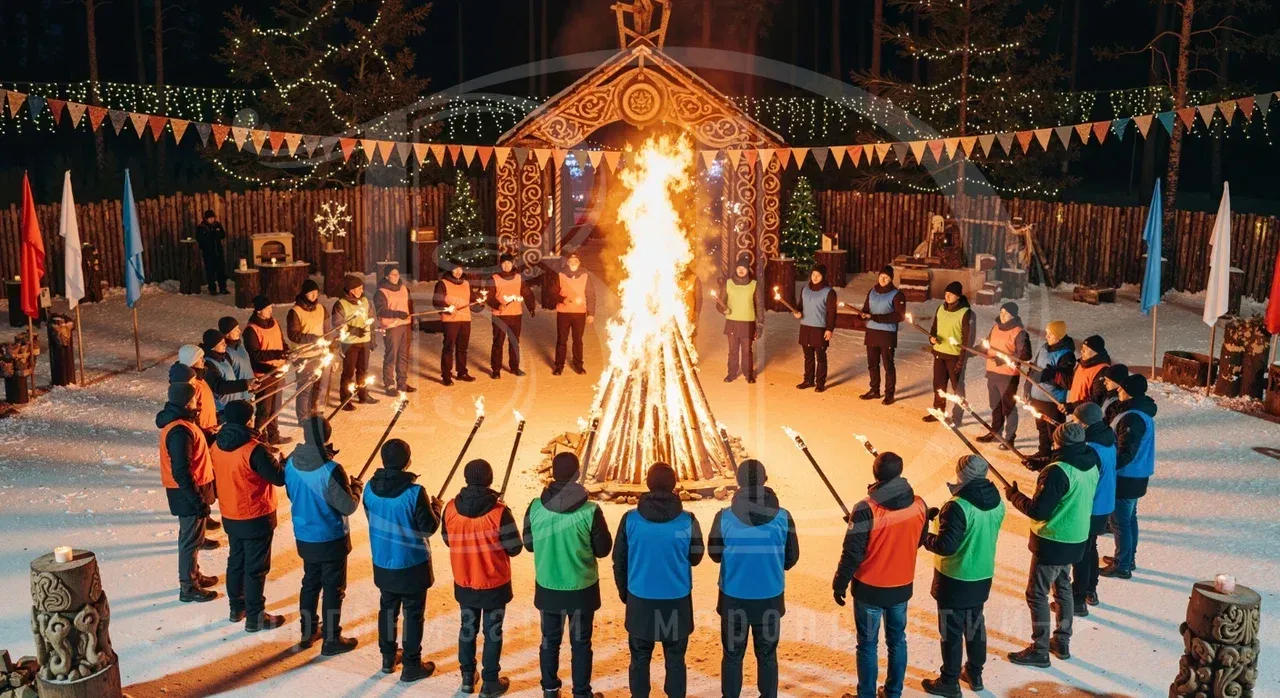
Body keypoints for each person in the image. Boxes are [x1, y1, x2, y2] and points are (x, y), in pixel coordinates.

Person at [832, 452, 928, 698]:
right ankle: (894, 692)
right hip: (901, 586)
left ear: (875, 474)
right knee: (897, 641)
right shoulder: (919, 504)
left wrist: (840, 582)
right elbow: (916, 540)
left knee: (867, 645)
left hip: (870, 588)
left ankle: (866, 695)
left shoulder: (866, 508)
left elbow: (852, 553)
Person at [1005, 422, 1100, 668]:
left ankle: (1040, 648)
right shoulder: (1091, 459)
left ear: (1058, 442)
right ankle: (1062, 640)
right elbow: (1066, 473)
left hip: (1053, 539)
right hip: (1076, 537)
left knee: (1036, 594)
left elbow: (1039, 510)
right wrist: (1044, 464)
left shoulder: (1057, 471)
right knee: (1063, 589)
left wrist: (1015, 497)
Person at [707, 460, 800, 698]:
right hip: (769, 597)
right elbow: (791, 559)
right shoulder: (783, 517)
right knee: (767, 655)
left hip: (733, 598)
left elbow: (715, 555)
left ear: (737, 482)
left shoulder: (724, 517)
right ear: (765, 479)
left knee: (732, 655)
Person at [522, 453, 612, 698]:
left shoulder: (535, 507)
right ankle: (581, 692)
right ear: (577, 474)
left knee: (549, 642)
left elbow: (529, 545)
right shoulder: (590, 511)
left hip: (549, 586)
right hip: (581, 588)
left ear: (553, 473)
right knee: (581, 644)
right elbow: (603, 550)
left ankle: (550, 690)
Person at [613, 463, 705, 698]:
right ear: (674, 485)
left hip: (640, 599)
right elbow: (695, 558)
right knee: (675, 660)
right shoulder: (688, 520)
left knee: (639, 659)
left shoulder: (630, 520)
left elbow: (619, 561)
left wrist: (626, 595)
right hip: (676, 600)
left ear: (648, 483)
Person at [920, 456, 1005, 697]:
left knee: (951, 631)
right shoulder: (996, 500)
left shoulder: (957, 505)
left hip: (955, 578)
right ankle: (975, 673)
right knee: (975, 625)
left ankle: (949, 680)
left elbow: (947, 545)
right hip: (982, 574)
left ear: (962, 474)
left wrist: (925, 536)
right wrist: (941, 519)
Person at [363, 439, 441, 683]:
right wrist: (436, 508)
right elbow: (427, 528)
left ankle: (387, 657)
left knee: (387, 609)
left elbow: (369, 515)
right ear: (407, 461)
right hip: (411, 564)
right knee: (413, 614)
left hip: (383, 561)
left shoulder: (368, 488)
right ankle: (411, 663)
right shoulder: (414, 493)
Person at [442, 459, 522, 696]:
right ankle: (490, 680)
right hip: (493, 583)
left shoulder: (450, 508)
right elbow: (515, 548)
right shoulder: (499, 512)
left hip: (464, 580)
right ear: (490, 479)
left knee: (467, 627)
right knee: (492, 632)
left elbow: (447, 539)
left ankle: (468, 676)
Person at [284, 416, 360, 655]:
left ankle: (307, 632)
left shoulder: (290, 462)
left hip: (305, 534)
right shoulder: (331, 469)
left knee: (310, 583)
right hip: (330, 537)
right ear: (327, 437)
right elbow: (346, 506)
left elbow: (291, 492)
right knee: (333, 588)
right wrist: (356, 488)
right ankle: (331, 638)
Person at [210, 400, 286, 632]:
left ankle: (237, 607)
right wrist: (281, 463)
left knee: (236, 561)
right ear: (248, 420)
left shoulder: (217, 444)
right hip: (255, 514)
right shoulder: (254, 449)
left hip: (231, 512)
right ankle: (255, 616)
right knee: (255, 568)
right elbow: (278, 478)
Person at [156, 382, 219, 603]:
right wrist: (197, 500)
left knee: (193, 537)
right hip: (188, 494)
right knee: (190, 540)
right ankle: (188, 586)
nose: (197, 401)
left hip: (191, 492)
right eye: (193, 398)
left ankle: (194, 575)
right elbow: (182, 470)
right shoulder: (180, 430)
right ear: (186, 401)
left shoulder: (184, 424)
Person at [1101, 374, 1157, 580]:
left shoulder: (1132, 417)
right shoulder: (1139, 412)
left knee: (1120, 522)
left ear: (1129, 392)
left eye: (1122, 389)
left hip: (1126, 477)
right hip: (1137, 475)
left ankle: (1122, 564)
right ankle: (1127, 558)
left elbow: (1126, 452)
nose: (1118, 391)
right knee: (1129, 519)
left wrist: (1107, 466)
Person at [1070, 402, 1116, 612]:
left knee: (1081, 554)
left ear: (1084, 423)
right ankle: (1090, 590)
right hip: (1104, 504)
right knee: (1090, 548)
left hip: (1090, 506)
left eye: (1076, 420)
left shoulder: (1091, 447)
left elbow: (1083, 477)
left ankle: (1078, 599)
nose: (1073, 423)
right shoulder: (1107, 437)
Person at [978, 302, 1031, 447]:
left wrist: (1005, 358)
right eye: (1001, 312)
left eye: (1006, 313)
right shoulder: (995, 328)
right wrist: (975, 349)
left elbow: (1025, 354)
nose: (1002, 315)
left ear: (1013, 315)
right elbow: (987, 345)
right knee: (995, 405)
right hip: (992, 373)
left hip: (1008, 376)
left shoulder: (1019, 332)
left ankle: (1010, 437)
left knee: (1008, 407)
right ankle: (996, 432)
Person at [924, 282, 976, 424]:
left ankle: (957, 417)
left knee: (957, 387)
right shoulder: (940, 309)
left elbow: (968, 339)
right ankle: (938, 411)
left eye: (951, 294)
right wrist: (932, 339)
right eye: (946, 293)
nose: (947, 296)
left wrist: (961, 360)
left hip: (955, 356)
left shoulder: (966, 313)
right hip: (940, 353)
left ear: (958, 296)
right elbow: (934, 328)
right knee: (939, 385)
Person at [1023, 321, 1076, 456]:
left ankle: (1057, 456)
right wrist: (1027, 387)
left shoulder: (1067, 355)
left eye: (1050, 334)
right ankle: (1043, 453)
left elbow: (1065, 382)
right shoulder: (1044, 348)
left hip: (1052, 401)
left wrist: (1048, 377)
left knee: (1054, 432)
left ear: (1058, 336)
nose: (1047, 337)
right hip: (1037, 396)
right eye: (1047, 334)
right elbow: (1033, 368)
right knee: (1041, 428)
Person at [244, 296, 291, 446]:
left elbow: (280, 341)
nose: (271, 310)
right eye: (268, 308)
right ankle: (260, 441)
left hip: (278, 371)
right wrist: (277, 355)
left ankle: (273, 435)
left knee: (275, 408)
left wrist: (286, 350)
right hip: (264, 375)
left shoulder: (274, 322)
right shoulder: (251, 330)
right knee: (264, 410)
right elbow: (255, 354)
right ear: (259, 310)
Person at [858, 266, 906, 404]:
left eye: (886, 277)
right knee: (872, 364)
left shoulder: (897, 294)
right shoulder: (872, 292)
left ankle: (889, 394)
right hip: (872, 332)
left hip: (887, 334)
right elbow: (866, 309)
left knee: (888, 365)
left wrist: (876, 317)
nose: (883, 279)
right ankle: (874, 390)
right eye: (881, 277)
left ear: (891, 279)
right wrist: (862, 315)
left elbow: (899, 316)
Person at [286, 279, 332, 418]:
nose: (313, 295)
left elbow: (328, 330)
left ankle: (316, 411)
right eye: (310, 293)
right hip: (304, 355)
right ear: (304, 294)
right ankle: (303, 417)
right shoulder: (295, 311)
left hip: (320, 353)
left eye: (316, 292)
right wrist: (312, 338)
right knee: (305, 388)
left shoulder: (321, 309)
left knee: (319, 385)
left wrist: (330, 345)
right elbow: (293, 335)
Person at [332, 275, 379, 409]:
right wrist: (353, 330)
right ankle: (345, 399)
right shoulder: (341, 304)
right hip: (350, 343)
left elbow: (371, 320)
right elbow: (338, 324)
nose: (361, 290)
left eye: (361, 287)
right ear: (351, 290)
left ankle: (363, 394)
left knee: (363, 370)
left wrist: (372, 339)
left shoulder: (365, 301)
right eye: (358, 288)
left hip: (364, 341)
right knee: (348, 372)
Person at [487, 254, 537, 379]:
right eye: (504, 263)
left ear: (513, 264)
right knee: (498, 343)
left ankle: (514, 367)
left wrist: (531, 307)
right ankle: (496, 369)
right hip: (500, 316)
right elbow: (489, 297)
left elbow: (527, 293)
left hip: (515, 315)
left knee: (514, 342)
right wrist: (498, 305)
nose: (506, 265)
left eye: (509, 263)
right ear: (500, 264)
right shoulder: (494, 278)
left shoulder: (519, 278)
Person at [718, 256, 764, 384]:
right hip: (732, 322)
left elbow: (759, 306)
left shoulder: (754, 284)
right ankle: (731, 373)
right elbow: (720, 303)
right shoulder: (728, 283)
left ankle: (749, 374)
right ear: (735, 269)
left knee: (746, 351)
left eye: (744, 268)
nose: (741, 271)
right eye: (739, 268)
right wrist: (724, 310)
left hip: (747, 323)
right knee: (733, 350)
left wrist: (759, 325)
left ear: (748, 269)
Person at [435, 264, 481, 386]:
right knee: (449, 348)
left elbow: (472, 300)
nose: (458, 272)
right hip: (450, 321)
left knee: (462, 348)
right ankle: (446, 375)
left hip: (465, 319)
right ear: (450, 269)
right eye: (455, 269)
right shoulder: (442, 283)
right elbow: (437, 301)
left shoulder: (466, 283)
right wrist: (446, 308)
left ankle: (462, 372)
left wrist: (479, 304)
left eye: (460, 269)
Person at [795, 265, 838, 393]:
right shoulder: (805, 289)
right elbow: (800, 306)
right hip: (806, 327)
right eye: (813, 274)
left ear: (823, 277)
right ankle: (808, 380)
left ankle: (820, 382)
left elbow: (832, 313)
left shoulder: (829, 292)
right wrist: (798, 312)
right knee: (808, 356)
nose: (815, 277)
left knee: (820, 356)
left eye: (818, 275)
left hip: (819, 328)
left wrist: (829, 329)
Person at [552, 251, 596, 376]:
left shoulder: (585, 276)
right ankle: (559, 366)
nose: (573, 263)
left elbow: (591, 295)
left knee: (578, 341)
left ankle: (578, 365)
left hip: (579, 313)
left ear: (579, 263)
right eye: (571, 261)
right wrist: (562, 299)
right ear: (567, 262)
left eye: (575, 261)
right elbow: (552, 293)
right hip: (563, 313)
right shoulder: (560, 275)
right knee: (561, 340)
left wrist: (591, 313)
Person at [374, 265, 416, 394]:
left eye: (397, 274)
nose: (395, 276)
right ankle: (389, 385)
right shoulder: (381, 292)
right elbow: (381, 311)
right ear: (386, 276)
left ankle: (402, 383)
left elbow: (409, 305)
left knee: (403, 355)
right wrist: (397, 314)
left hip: (405, 325)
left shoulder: (404, 289)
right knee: (392, 356)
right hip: (391, 326)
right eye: (392, 274)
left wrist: (412, 321)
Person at [201, 330, 255, 414]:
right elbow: (219, 386)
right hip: (224, 409)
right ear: (213, 346)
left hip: (236, 405)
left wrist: (248, 386)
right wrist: (245, 384)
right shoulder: (208, 364)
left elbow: (234, 377)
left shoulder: (223, 358)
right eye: (221, 343)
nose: (225, 345)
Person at [177, 344, 220, 437]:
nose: (203, 361)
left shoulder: (200, 378)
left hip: (209, 428)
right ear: (191, 361)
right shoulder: (192, 384)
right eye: (200, 358)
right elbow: (192, 413)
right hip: (202, 432)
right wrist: (203, 431)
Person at [1067, 335, 1111, 412]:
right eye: (1082, 347)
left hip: (1086, 416)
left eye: (1086, 349)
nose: (1081, 351)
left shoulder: (1102, 370)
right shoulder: (1082, 364)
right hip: (1076, 413)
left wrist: (1073, 406)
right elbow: (1073, 384)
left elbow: (1096, 399)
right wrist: (1055, 375)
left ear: (1095, 352)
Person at [219, 317, 258, 401]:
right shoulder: (226, 353)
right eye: (235, 329)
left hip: (249, 394)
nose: (239, 331)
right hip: (240, 398)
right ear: (227, 334)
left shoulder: (239, 346)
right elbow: (229, 379)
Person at [195, 209, 229, 296]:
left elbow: (223, 235)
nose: (211, 220)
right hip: (208, 253)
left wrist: (217, 234)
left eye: (212, 218)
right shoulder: (202, 227)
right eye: (209, 218)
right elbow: (200, 239)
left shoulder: (217, 225)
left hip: (218, 251)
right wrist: (210, 236)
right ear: (206, 219)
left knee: (221, 271)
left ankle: (223, 288)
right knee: (210, 272)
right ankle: (212, 289)